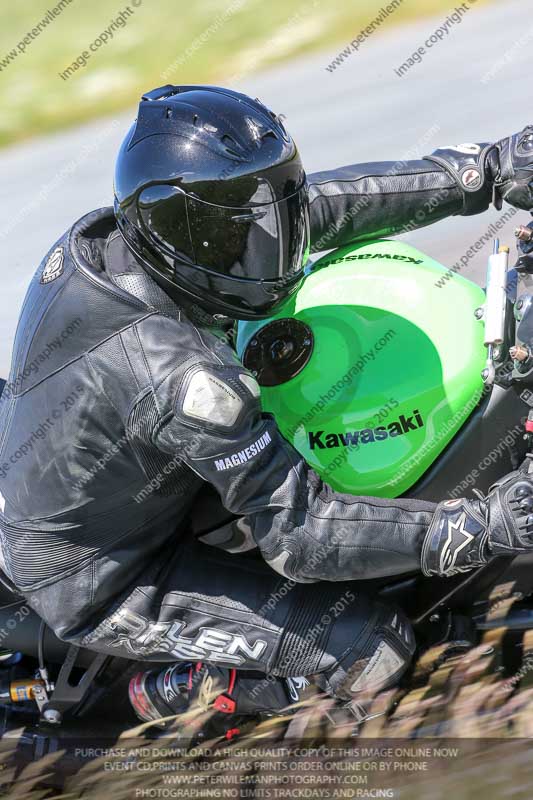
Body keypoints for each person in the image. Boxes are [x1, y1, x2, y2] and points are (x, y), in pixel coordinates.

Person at [1, 84, 533, 728]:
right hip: (104, 573)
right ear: (188, 230)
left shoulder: (127, 233)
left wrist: (484, 171)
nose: (275, 234)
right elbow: (302, 536)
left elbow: (318, 209)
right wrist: (474, 530)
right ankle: (144, 701)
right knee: (373, 646)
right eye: (249, 222)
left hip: (110, 470)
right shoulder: (180, 377)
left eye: (271, 206)